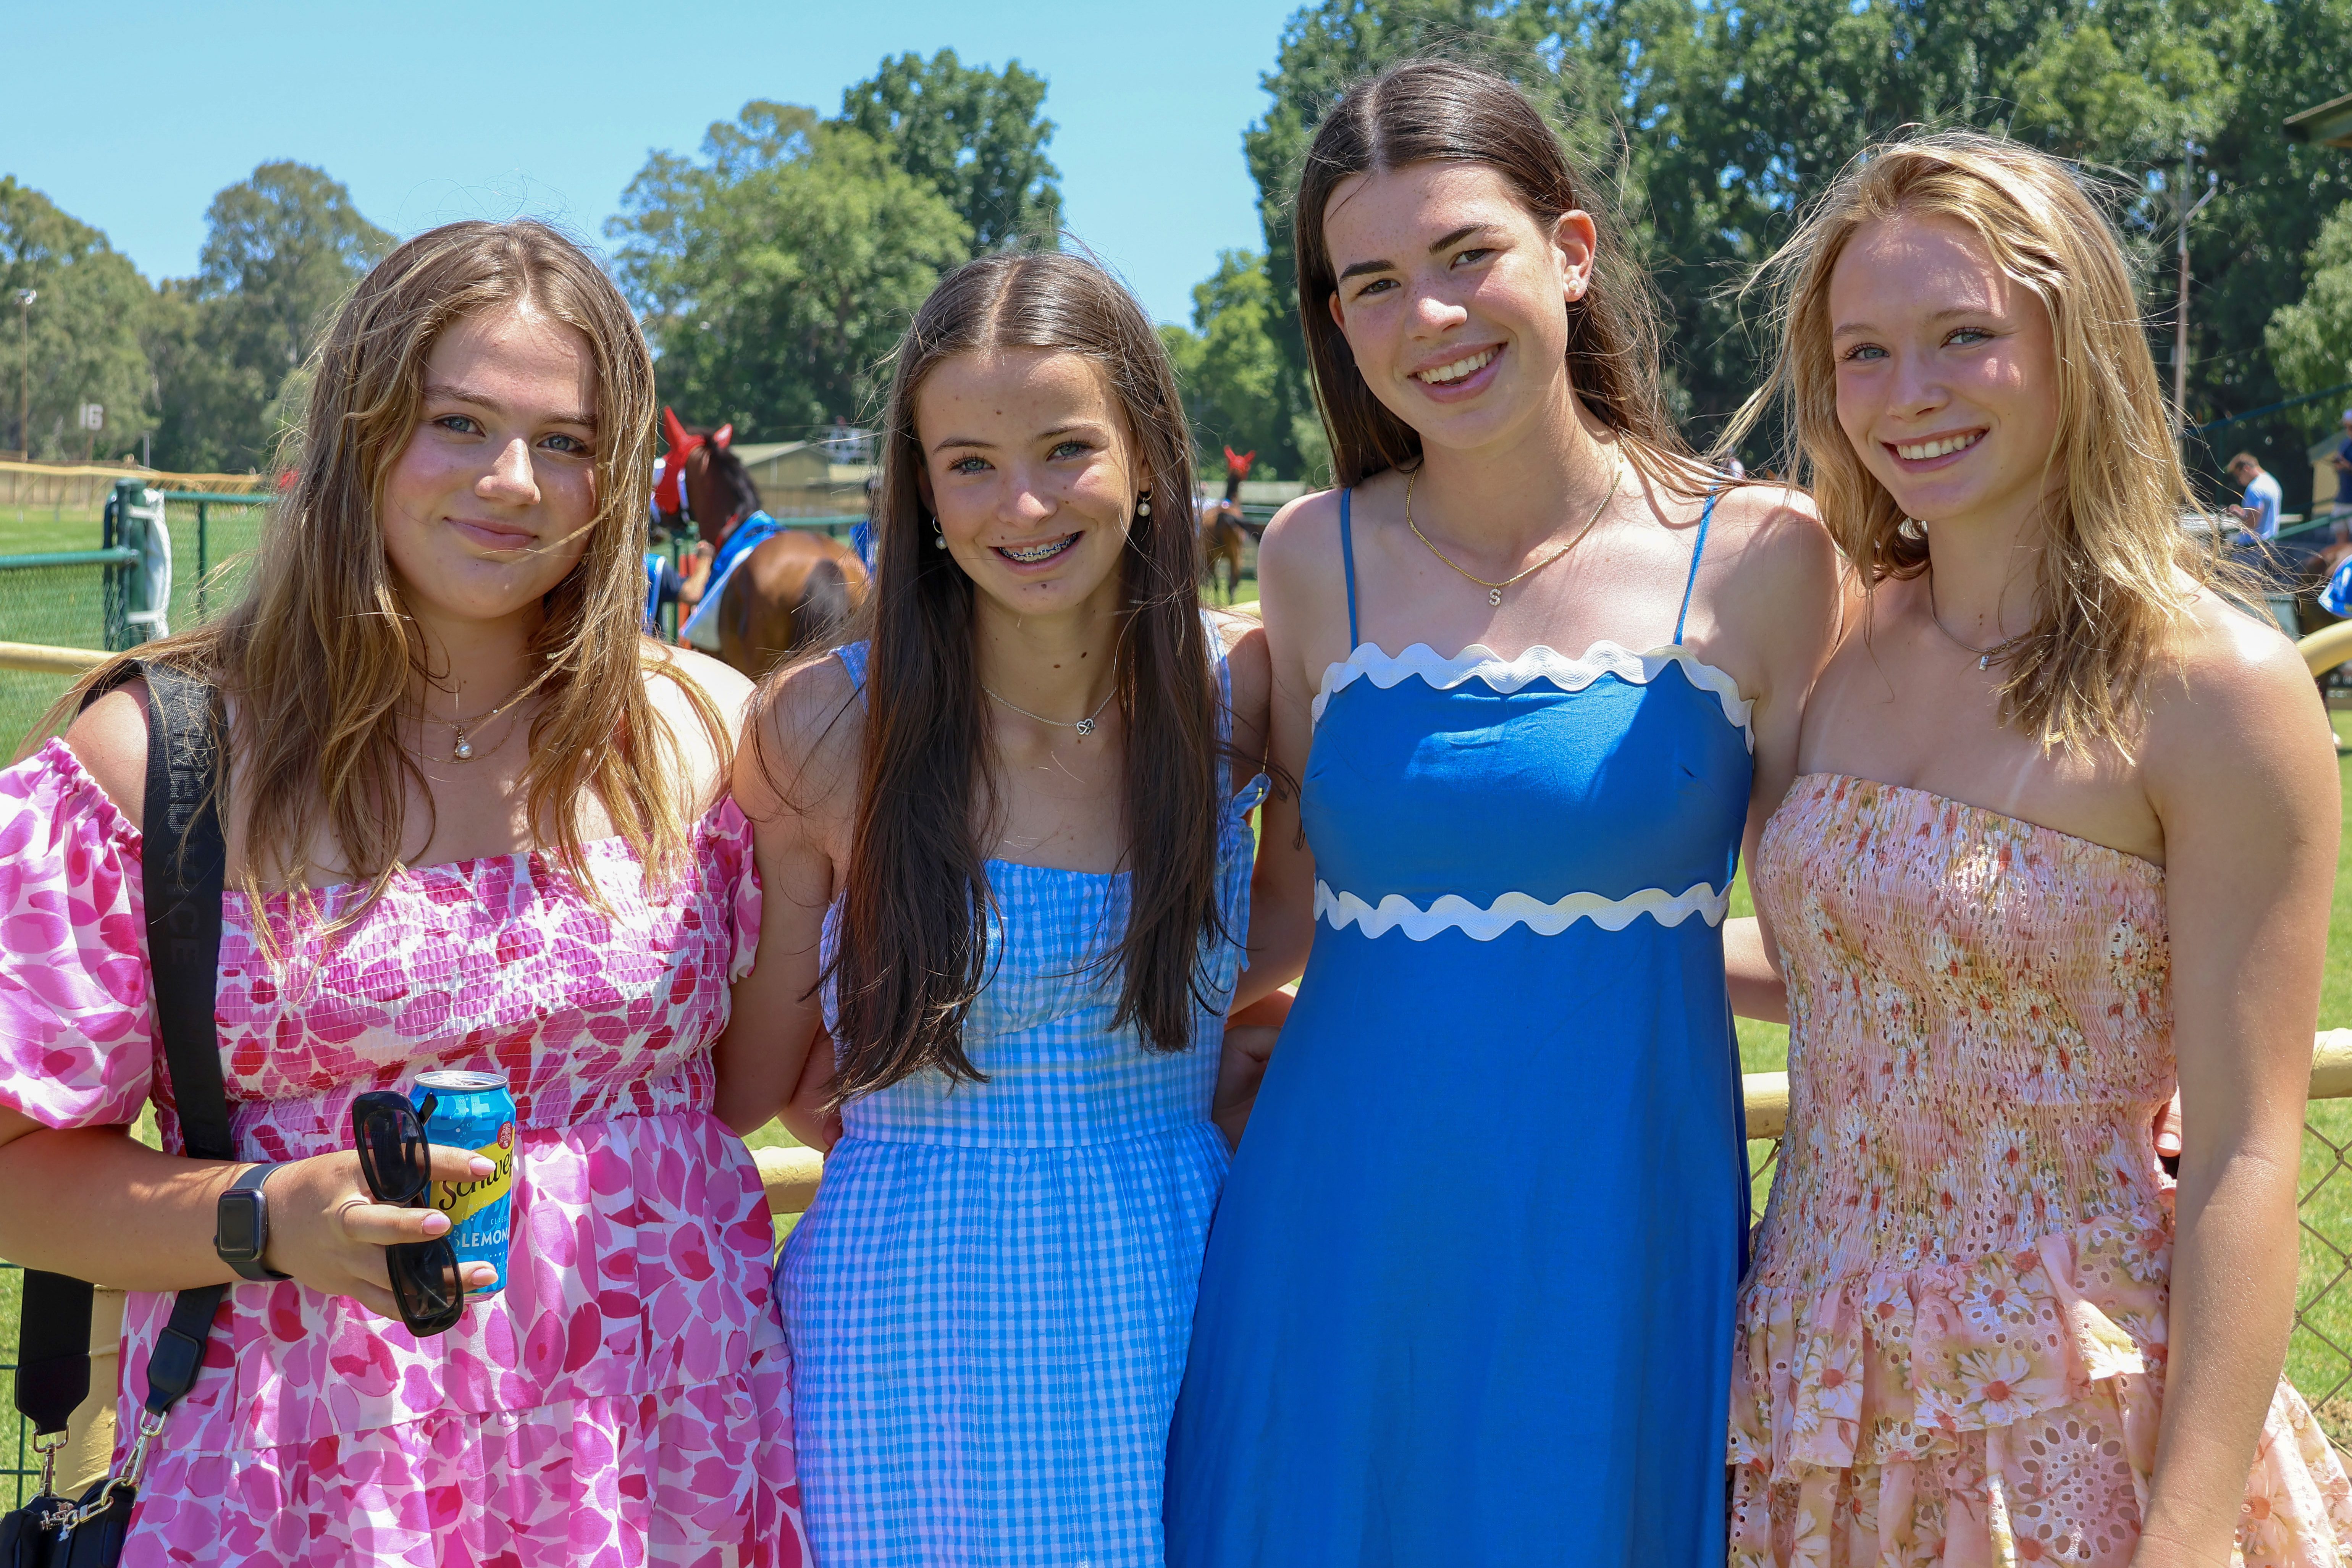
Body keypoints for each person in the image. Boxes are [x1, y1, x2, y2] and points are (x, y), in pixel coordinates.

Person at [0, 220, 808, 1566]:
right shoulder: (164, 759)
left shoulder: (705, 732)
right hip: (315, 1475)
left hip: (670, 1460)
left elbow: (744, 1092)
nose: (516, 481)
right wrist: (263, 1216)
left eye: (566, 440)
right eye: (460, 421)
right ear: (364, 430)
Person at [1163, 60, 1841, 1566]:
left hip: (1618, 1215)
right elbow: (1278, 907)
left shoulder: (1761, 556)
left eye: (1468, 254)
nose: (1431, 317)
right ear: (1337, 321)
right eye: (1375, 283)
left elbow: (1832, 942)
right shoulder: (1306, 558)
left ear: (1572, 254)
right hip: (1339, 1219)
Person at [1721, 131, 2350, 1566]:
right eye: (1865, 352)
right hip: (1809, 1386)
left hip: (2075, 1417)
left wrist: (2185, 1533)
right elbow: (1876, 964)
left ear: (2080, 347)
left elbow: (2253, 1153)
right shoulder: (1827, 637)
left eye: (1965, 337)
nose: (1910, 394)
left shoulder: (2217, 690)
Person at [716, 249, 1280, 1566]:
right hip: (910, 1314)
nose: (1020, 504)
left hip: (1184, 1278)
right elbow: (754, 1082)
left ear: (1148, 459)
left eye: (1066, 448)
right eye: (967, 461)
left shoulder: (1243, 698)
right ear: (915, 487)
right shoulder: (829, 724)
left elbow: (1297, 954)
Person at [2228, 449, 2283, 547]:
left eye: (2238, 476)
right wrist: (2244, 514)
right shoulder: (2273, 483)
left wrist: (2236, 514)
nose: (2239, 482)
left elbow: (2252, 523)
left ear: (2246, 469)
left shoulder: (2255, 489)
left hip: (2252, 549)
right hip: (2270, 546)